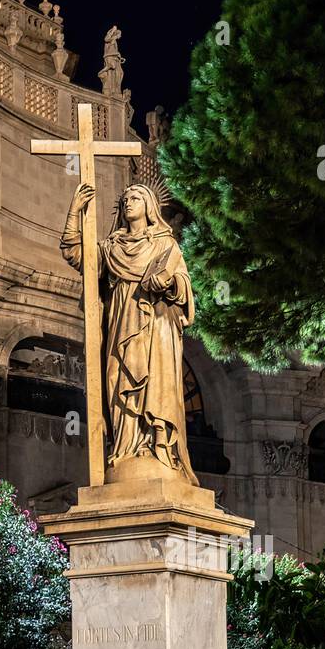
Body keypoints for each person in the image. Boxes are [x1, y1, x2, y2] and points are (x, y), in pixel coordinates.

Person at [61, 182, 198, 484]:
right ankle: (126, 449)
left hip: (158, 327)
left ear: (149, 206)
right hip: (121, 324)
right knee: (116, 380)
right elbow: (74, 254)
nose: (128, 202)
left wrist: (169, 285)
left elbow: (185, 290)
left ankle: (158, 447)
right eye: (125, 199)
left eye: (136, 197)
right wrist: (74, 211)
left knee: (157, 385)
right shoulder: (111, 248)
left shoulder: (166, 245)